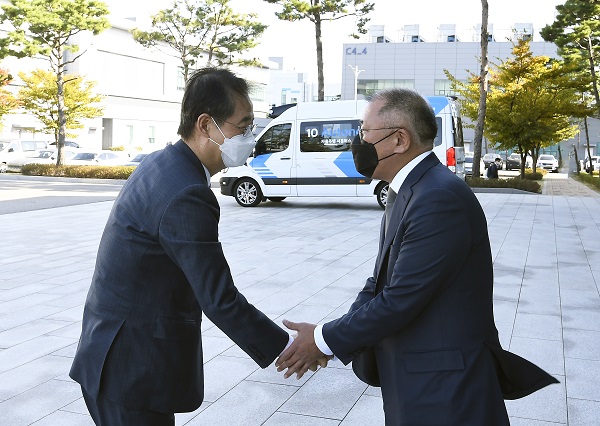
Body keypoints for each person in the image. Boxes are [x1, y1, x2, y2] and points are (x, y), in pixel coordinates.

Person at [275, 88, 558, 425]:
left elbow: (400, 299)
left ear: (399, 140)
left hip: (445, 388)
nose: (358, 142)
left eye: (364, 133)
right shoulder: (411, 190)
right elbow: (379, 284)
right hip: (420, 378)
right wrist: (327, 333)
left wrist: (323, 341)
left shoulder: (438, 198)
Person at [70, 67, 310, 425]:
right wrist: (293, 348)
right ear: (205, 124)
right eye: (241, 126)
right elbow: (219, 298)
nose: (249, 136)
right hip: (130, 372)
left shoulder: (163, 163)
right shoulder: (187, 192)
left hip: (114, 356)